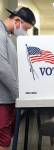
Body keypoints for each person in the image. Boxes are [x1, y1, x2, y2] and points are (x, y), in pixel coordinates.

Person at [0, 7, 36, 150]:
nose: (24, 32)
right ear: (16, 20)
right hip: (2, 100)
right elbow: (2, 67)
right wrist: (19, 94)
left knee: (6, 140)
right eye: (25, 29)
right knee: (2, 141)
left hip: (8, 98)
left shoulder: (6, 36)